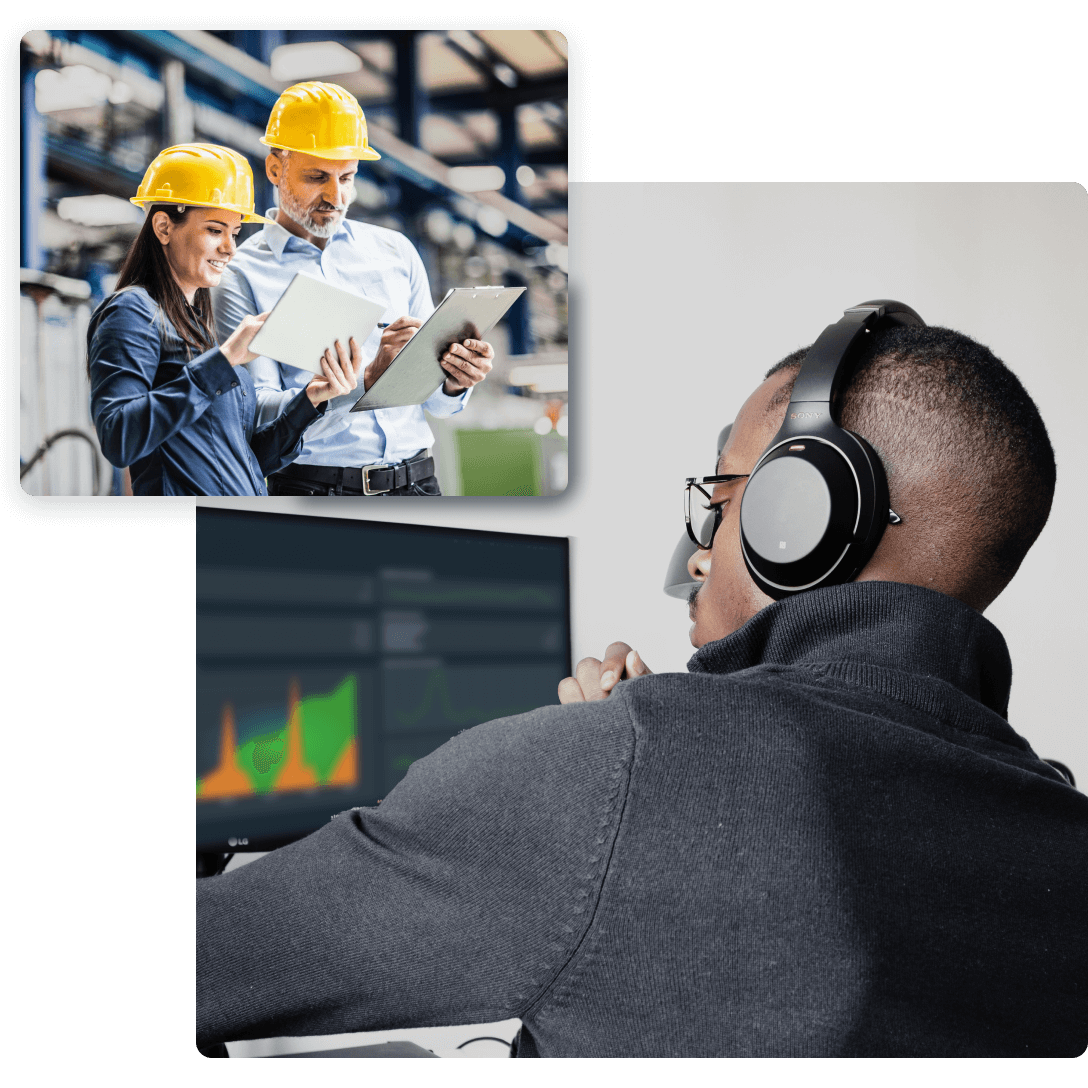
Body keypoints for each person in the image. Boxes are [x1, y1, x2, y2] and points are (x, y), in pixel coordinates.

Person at [196, 321, 1087, 1057]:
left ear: (805, 513)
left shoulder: (603, 778)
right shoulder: (1059, 823)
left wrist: (611, 777)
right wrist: (663, 776)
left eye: (723, 495)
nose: (700, 548)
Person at [211, 82, 495, 497]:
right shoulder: (240, 274)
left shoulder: (395, 252)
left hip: (417, 486)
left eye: (347, 177)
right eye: (316, 177)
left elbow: (437, 403)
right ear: (275, 169)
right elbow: (260, 420)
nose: (336, 196)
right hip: (317, 490)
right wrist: (366, 380)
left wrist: (455, 377)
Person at [89, 144, 362, 496]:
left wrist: (310, 401)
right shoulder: (132, 312)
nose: (230, 248)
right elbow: (119, 438)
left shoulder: (197, 328)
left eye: (234, 233)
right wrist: (226, 359)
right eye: (215, 230)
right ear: (163, 227)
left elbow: (243, 462)